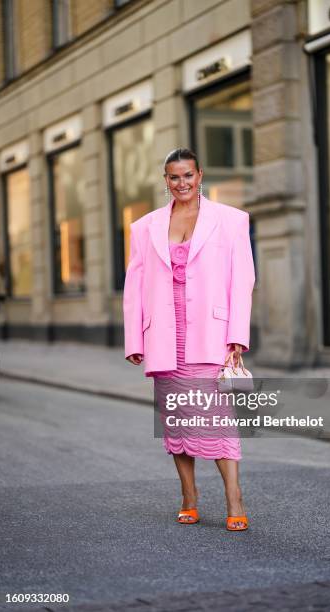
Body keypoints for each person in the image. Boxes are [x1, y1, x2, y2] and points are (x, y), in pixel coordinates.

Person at [123, 148, 255, 531]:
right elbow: (134, 286)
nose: (181, 183)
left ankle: (234, 497)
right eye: (173, 177)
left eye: (187, 175)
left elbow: (242, 280)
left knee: (216, 422)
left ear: (200, 175)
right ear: (165, 180)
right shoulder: (144, 227)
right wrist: (135, 338)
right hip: (166, 337)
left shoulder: (230, 221)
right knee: (178, 422)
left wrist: (237, 336)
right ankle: (189, 496)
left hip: (210, 336)